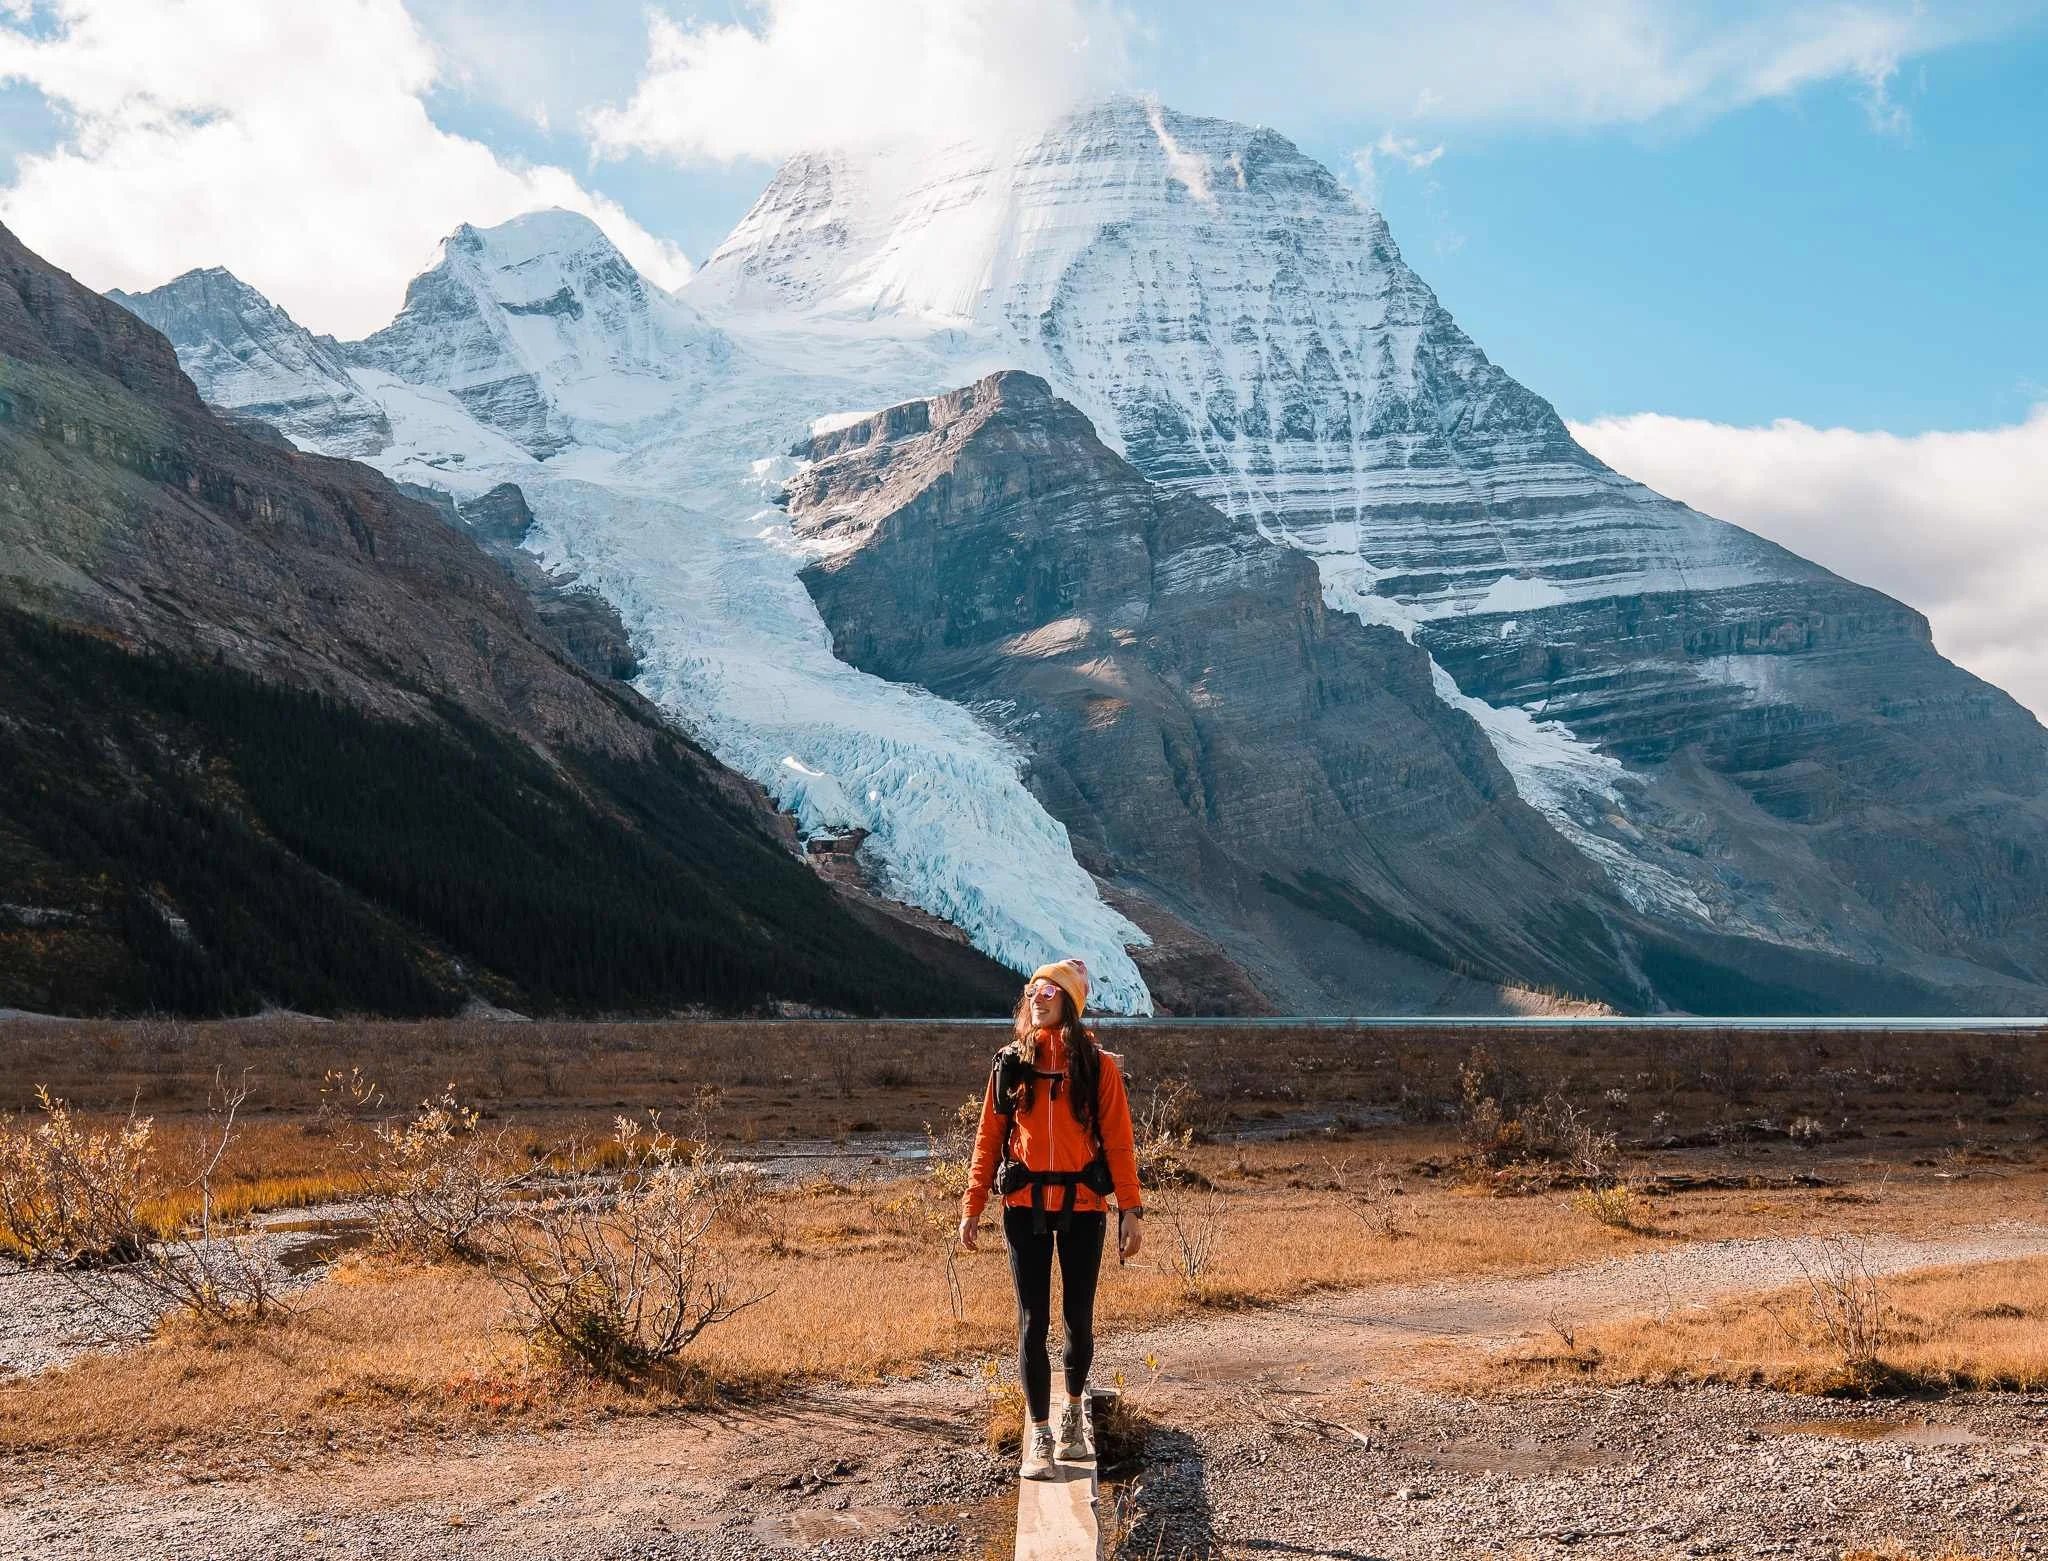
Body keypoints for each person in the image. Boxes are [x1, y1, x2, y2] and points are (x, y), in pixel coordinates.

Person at [958, 957, 1143, 1481]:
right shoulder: (1009, 1063)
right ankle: (1039, 1430)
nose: (1038, 996)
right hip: (1024, 1207)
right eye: (1034, 989)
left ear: (1070, 1003)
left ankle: (1075, 1415)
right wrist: (972, 1206)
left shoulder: (1098, 1066)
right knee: (1032, 1321)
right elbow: (988, 1140)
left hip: (1085, 1206)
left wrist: (1131, 1208)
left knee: (1077, 1321)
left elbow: (1119, 1141)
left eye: (1050, 990)